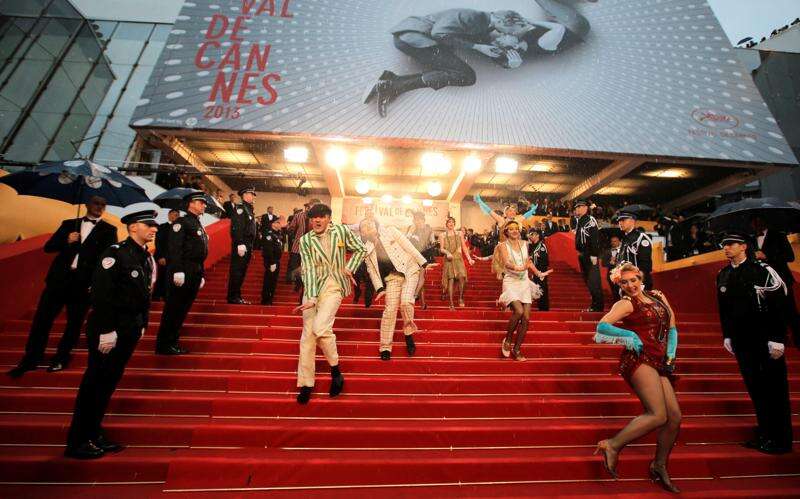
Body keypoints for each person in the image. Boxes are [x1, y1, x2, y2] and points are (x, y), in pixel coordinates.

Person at [64, 209, 158, 459]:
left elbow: (144, 294)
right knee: (94, 384)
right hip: (110, 328)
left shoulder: (144, 257)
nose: (154, 228)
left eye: (154, 225)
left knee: (107, 385)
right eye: (148, 224)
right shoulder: (115, 253)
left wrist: (142, 323)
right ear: (133, 227)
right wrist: (107, 330)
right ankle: (78, 441)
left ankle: (94, 433)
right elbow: (101, 293)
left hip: (128, 328)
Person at [593, 263, 681, 493]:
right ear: (619, 285)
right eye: (624, 282)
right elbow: (602, 326)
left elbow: (672, 326)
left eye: (634, 280)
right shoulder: (625, 303)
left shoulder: (658, 296)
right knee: (658, 414)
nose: (630, 285)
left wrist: (671, 355)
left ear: (641, 278)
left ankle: (659, 465)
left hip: (660, 359)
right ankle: (612, 445)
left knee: (674, 417)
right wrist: (630, 335)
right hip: (639, 358)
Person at [7, 196, 117, 377]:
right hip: (58, 281)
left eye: (103, 205)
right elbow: (49, 247)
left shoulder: (109, 230)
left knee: (74, 325)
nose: (99, 207)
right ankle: (31, 359)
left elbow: (107, 260)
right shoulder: (69, 224)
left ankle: (61, 358)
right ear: (87, 205)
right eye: (96, 203)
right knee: (42, 321)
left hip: (83, 285)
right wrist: (66, 239)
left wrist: (96, 283)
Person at [365, 10, 540, 117]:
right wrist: (477, 46)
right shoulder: (473, 17)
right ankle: (392, 85)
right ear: (502, 22)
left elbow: (488, 50)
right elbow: (439, 33)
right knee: (465, 75)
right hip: (413, 37)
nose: (510, 35)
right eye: (511, 31)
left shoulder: (485, 25)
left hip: (420, 39)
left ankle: (392, 83)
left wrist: (509, 64)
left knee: (464, 75)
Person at [717, 231, 792, 454]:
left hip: (765, 338)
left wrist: (777, 338)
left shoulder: (762, 270)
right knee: (756, 388)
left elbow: (780, 304)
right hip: (742, 340)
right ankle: (766, 434)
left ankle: (780, 440)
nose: (726, 248)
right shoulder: (723, 274)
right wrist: (727, 334)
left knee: (775, 390)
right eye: (724, 245)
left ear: (744, 246)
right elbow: (724, 309)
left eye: (731, 244)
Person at [294, 204, 367, 404]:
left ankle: (335, 371)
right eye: (313, 218)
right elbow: (308, 268)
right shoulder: (305, 240)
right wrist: (311, 298)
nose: (317, 221)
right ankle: (306, 384)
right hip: (312, 288)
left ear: (328, 218)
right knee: (308, 336)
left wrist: (350, 267)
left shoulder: (341, 231)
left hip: (334, 285)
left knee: (320, 327)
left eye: (321, 217)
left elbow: (361, 249)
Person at [360, 218, 431, 360]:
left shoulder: (390, 231)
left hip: (409, 269)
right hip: (392, 277)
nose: (369, 225)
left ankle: (408, 333)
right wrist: (380, 289)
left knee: (406, 302)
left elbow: (408, 246)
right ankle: (385, 347)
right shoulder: (366, 249)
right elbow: (371, 270)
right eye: (364, 226)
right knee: (390, 310)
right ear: (362, 233)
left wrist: (423, 263)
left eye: (370, 223)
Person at [155, 192, 208, 355]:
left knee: (182, 309)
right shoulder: (181, 222)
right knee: (174, 308)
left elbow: (200, 253)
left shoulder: (197, 223)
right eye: (200, 202)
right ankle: (164, 344)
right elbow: (175, 247)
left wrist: (201, 273)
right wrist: (178, 270)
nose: (204, 205)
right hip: (183, 269)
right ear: (190, 203)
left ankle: (172, 341)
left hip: (194, 270)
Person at [498, 221, 551, 360]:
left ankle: (517, 349)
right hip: (511, 281)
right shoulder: (502, 245)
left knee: (526, 318)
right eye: (511, 229)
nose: (514, 231)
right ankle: (508, 340)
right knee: (519, 311)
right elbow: (506, 263)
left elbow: (528, 262)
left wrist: (539, 273)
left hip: (524, 282)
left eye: (516, 228)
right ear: (506, 232)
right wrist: (520, 268)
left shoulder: (525, 244)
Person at [752, 217, 800, 348]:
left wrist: (767, 256)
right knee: (770, 312)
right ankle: (779, 339)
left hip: (781, 280)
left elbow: (790, 257)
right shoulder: (751, 239)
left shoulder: (779, 236)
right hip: (763, 282)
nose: (755, 224)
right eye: (753, 221)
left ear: (764, 221)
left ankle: (798, 340)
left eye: (757, 220)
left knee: (790, 311)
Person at [227, 187, 257, 304]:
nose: (253, 196)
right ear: (245, 195)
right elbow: (237, 226)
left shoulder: (248, 208)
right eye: (251, 194)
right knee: (237, 271)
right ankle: (233, 297)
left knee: (241, 271)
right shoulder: (240, 207)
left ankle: (237, 296)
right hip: (242, 243)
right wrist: (240, 243)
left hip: (247, 244)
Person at [574, 200, 603, 312]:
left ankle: (598, 306)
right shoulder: (580, 220)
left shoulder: (590, 220)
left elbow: (595, 238)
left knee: (593, 281)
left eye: (579, 207)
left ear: (586, 208)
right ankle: (594, 304)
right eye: (576, 207)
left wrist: (594, 254)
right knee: (588, 281)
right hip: (583, 254)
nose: (577, 209)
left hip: (589, 254)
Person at [440, 216, 474, 309]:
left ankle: (461, 298)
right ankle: (451, 303)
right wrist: (447, 253)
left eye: (452, 222)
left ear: (454, 224)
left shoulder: (459, 233)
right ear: (446, 224)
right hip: (449, 259)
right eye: (449, 222)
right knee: (451, 280)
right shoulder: (442, 235)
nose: (451, 223)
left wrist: (469, 259)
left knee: (462, 277)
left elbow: (464, 247)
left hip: (458, 258)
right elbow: (441, 249)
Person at [406, 210, 437, 310]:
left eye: (419, 220)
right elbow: (406, 240)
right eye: (415, 220)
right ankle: (423, 303)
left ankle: (414, 296)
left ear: (423, 220)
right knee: (417, 279)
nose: (417, 222)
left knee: (421, 276)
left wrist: (432, 243)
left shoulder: (429, 229)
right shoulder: (411, 228)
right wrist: (411, 231)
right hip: (413, 255)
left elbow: (432, 242)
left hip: (425, 255)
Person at [617, 210, 654, 290]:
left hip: (638, 283)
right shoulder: (624, 239)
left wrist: (639, 283)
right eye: (619, 221)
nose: (620, 223)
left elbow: (645, 265)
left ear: (632, 220)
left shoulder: (641, 237)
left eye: (623, 220)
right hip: (627, 283)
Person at [153, 208, 180, 301]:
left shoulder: (180, 228)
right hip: (163, 257)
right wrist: (161, 256)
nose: (175, 216)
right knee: (162, 276)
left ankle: (168, 296)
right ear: (169, 215)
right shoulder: (162, 227)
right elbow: (158, 243)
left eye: (177, 215)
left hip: (175, 258)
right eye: (173, 214)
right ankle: (157, 295)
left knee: (173, 277)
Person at [261, 217, 284, 305]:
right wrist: (272, 262)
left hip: (276, 260)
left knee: (273, 281)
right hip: (271, 261)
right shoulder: (269, 234)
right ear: (273, 224)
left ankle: (270, 299)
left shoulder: (277, 234)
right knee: (269, 280)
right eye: (278, 222)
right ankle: (266, 299)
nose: (280, 224)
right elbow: (268, 249)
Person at [528, 229, 550, 311]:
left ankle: (544, 309)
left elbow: (545, 261)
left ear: (537, 235)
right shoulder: (532, 246)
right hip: (534, 272)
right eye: (530, 234)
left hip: (541, 272)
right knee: (536, 290)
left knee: (542, 289)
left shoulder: (542, 246)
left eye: (532, 234)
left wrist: (540, 272)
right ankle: (540, 307)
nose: (530, 236)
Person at [602, 234, 623, 299]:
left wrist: (617, 262)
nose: (613, 243)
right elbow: (603, 263)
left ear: (619, 242)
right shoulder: (607, 251)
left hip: (621, 273)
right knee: (614, 290)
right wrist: (610, 263)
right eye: (612, 241)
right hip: (611, 274)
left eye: (615, 241)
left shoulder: (623, 251)